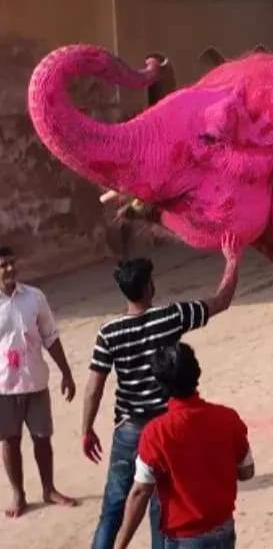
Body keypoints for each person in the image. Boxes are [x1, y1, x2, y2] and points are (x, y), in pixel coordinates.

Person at [83, 235, 242, 549]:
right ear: (149, 287)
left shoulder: (109, 332)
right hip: (165, 429)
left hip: (128, 429)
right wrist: (232, 261)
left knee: (113, 508)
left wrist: (86, 429)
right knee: (161, 507)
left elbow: (94, 388)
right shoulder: (172, 317)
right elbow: (221, 300)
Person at [113, 343, 254, 549]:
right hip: (224, 530)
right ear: (196, 372)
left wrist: (119, 545)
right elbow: (247, 471)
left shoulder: (156, 432)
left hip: (185, 538)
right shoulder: (228, 418)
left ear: (161, 383)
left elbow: (140, 492)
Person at [0, 245, 77, 518]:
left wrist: (66, 373)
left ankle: (49, 489)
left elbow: (50, 336)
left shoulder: (34, 297)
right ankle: (18, 494)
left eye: (11, 263)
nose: (9, 269)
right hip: (3, 386)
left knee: (43, 438)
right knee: (9, 440)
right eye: (2, 265)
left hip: (35, 379)